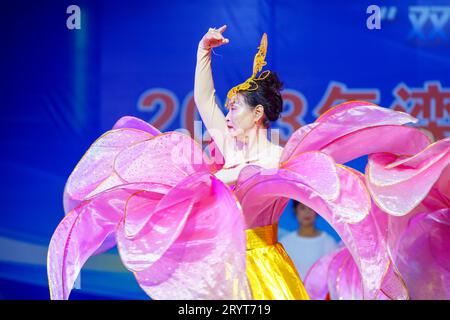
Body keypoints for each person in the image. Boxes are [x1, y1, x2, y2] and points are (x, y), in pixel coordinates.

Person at [47, 25, 441, 300]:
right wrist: (204, 52)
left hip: (264, 265)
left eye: (235, 108)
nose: (228, 115)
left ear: (257, 115)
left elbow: (328, 195)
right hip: (220, 264)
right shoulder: (230, 149)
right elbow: (204, 100)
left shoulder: (279, 158)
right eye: (229, 108)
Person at [280, 200, 338, 280]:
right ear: (295, 210)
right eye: (302, 208)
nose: (307, 212)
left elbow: (333, 275)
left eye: (310, 208)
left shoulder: (328, 242)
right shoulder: (285, 243)